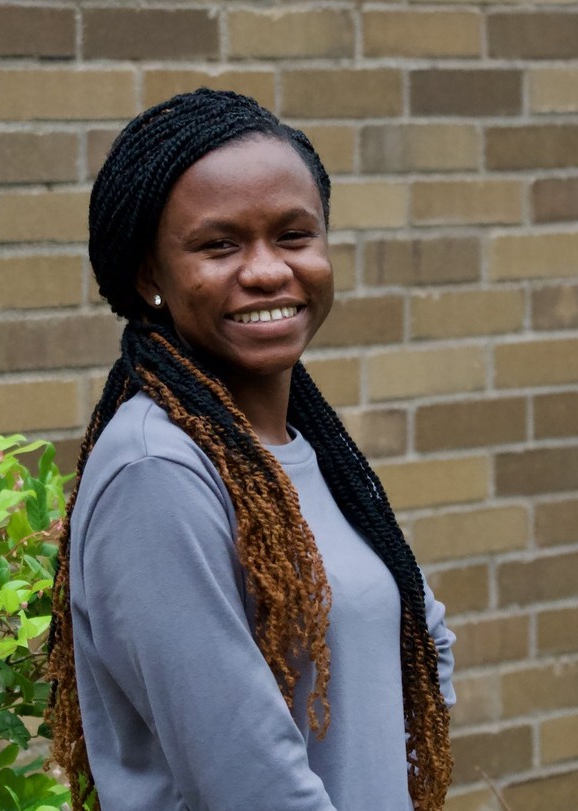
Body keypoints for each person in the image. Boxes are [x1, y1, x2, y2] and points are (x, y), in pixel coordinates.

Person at [47, 88, 455, 811]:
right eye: (219, 244)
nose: (267, 270)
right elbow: (249, 784)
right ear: (149, 276)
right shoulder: (157, 471)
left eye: (294, 235)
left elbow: (420, 640)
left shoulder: (302, 446)